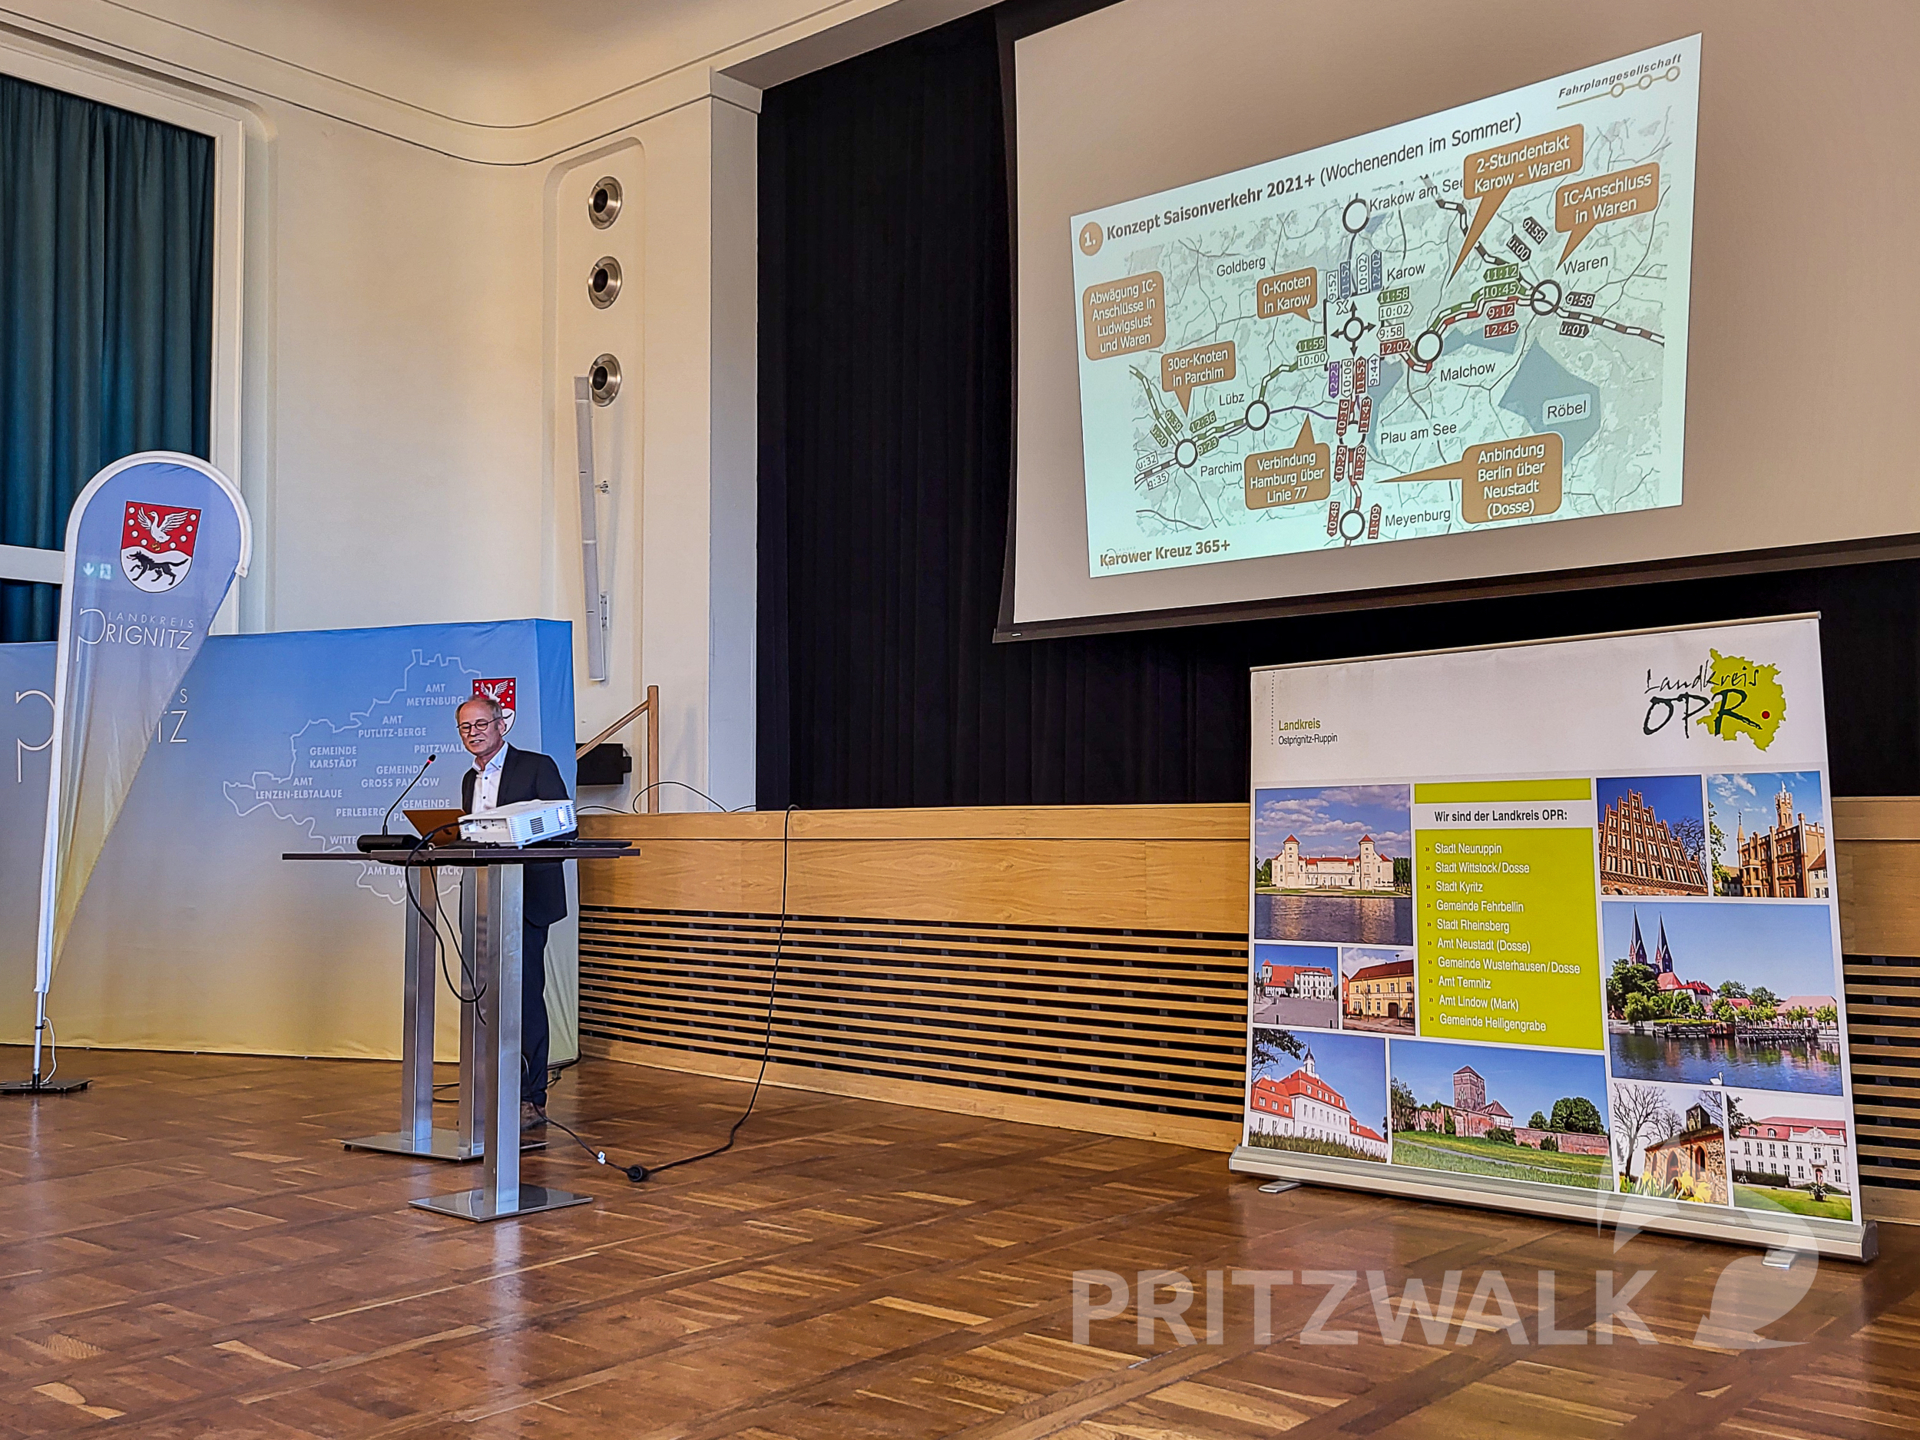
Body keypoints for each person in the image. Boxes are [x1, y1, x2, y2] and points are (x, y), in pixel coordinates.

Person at [455, 694, 572, 1131]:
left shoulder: (536, 766)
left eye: (481, 724)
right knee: (489, 995)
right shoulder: (470, 780)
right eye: (466, 728)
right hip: (486, 899)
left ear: (501, 724)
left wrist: (520, 835)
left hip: (527, 899)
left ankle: (531, 1098)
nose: (474, 733)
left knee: (524, 997)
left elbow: (565, 823)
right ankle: (497, 1087)